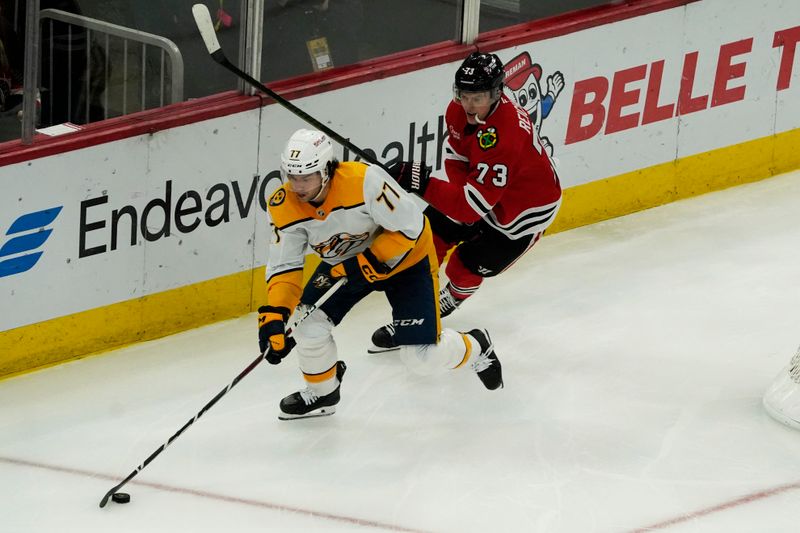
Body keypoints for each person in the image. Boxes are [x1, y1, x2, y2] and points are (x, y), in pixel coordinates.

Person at [259, 128, 503, 420]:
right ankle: (323, 393)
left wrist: (366, 262)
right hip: (346, 262)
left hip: (406, 260)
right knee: (306, 326)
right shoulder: (282, 204)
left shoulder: (364, 181)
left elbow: (410, 228)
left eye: (306, 177)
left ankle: (477, 346)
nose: (298, 186)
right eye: (292, 177)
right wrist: (276, 313)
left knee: (422, 358)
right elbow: (285, 266)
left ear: (326, 170)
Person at [370, 51, 562, 352]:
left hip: (521, 216)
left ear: (497, 93)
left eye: (479, 97)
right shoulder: (458, 110)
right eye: (464, 95)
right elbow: (457, 156)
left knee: (462, 268)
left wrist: (421, 183)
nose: (469, 105)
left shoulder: (506, 134)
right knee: (426, 240)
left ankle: (450, 300)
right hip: (482, 195)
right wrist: (457, 197)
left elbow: (471, 208)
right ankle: (420, 315)